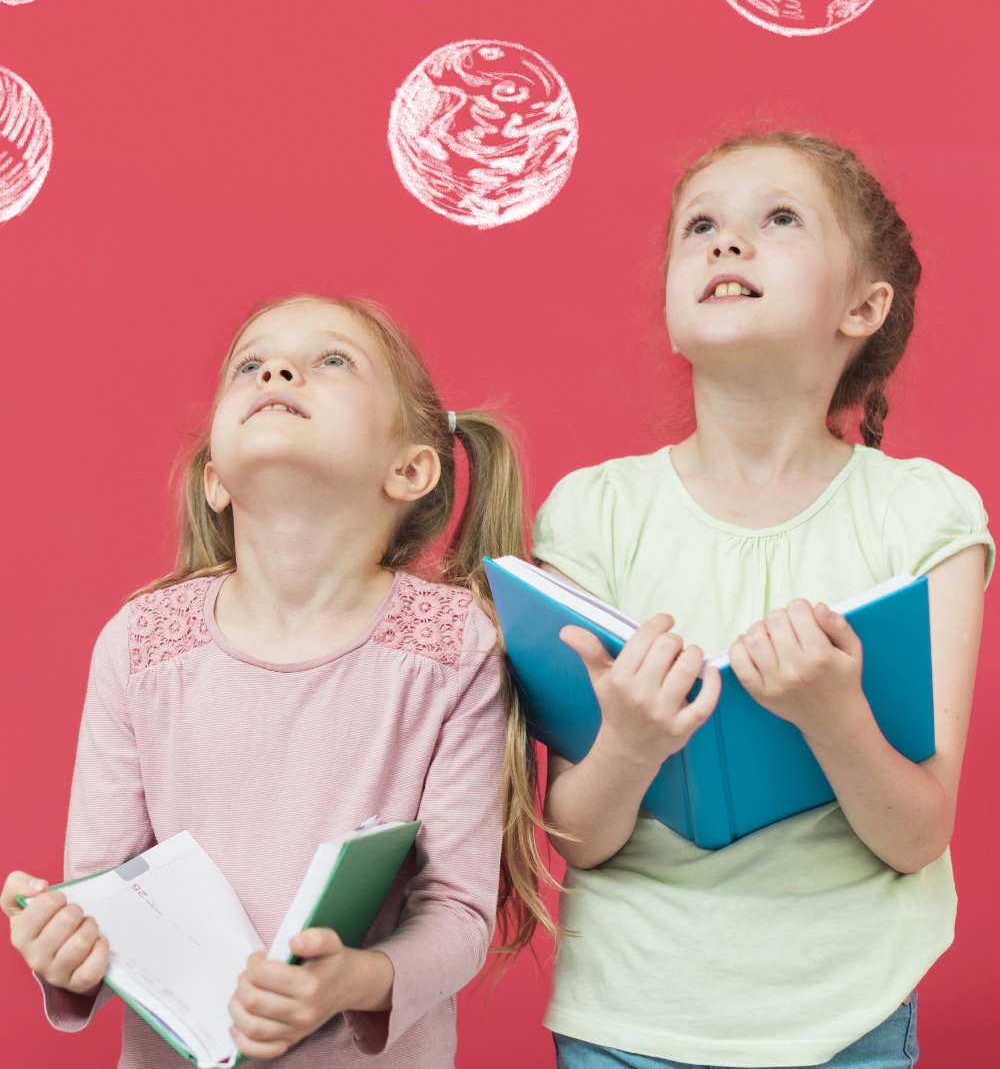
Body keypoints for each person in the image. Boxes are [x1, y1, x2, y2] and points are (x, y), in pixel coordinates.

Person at [532, 130, 993, 1069]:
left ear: (864, 305)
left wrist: (835, 715)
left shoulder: (925, 514)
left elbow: (917, 833)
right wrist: (629, 740)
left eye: (778, 219)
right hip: (628, 1018)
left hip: (847, 1018)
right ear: (670, 311)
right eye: (700, 225)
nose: (726, 241)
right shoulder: (593, 512)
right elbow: (576, 835)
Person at [3, 293, 551, 1067]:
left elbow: (457, 913)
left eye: (333, 361)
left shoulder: (455, 647)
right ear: (215, 479)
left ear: (411, 468)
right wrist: (64, 950)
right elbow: (106, 898)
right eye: (250, 364)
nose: (279, 370)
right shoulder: (137, 647)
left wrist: (354, 979)